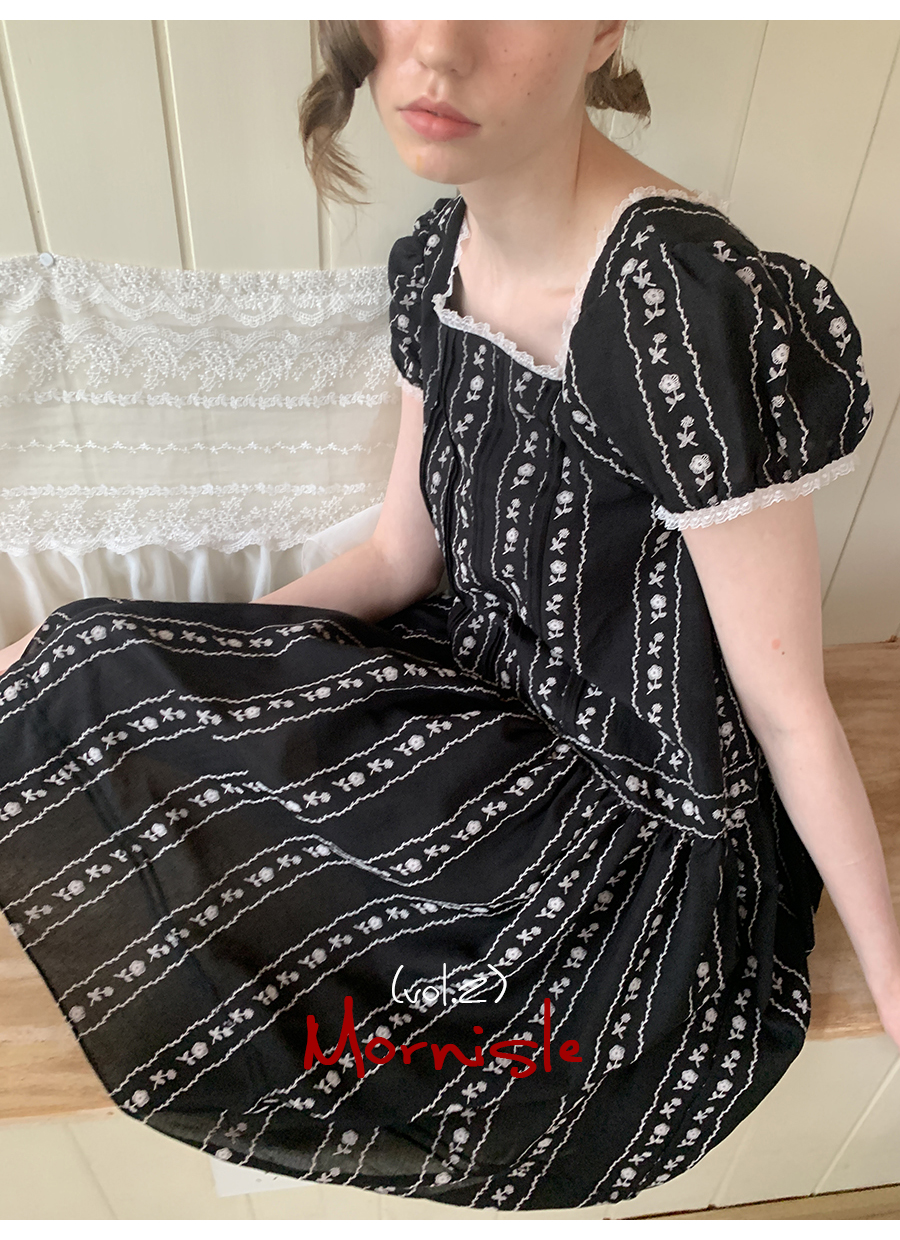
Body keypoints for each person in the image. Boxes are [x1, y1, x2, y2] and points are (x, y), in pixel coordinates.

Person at [0, 19, 897, 1213]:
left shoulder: (683, 309)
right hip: (467, 695)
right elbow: (394, 562)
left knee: (377, 1000)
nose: (433, 49)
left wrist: (893, 981)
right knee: (89, 658)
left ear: (603, 27)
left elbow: (788, 712)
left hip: (623, 801)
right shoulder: (437, 261)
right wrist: (169, 657)